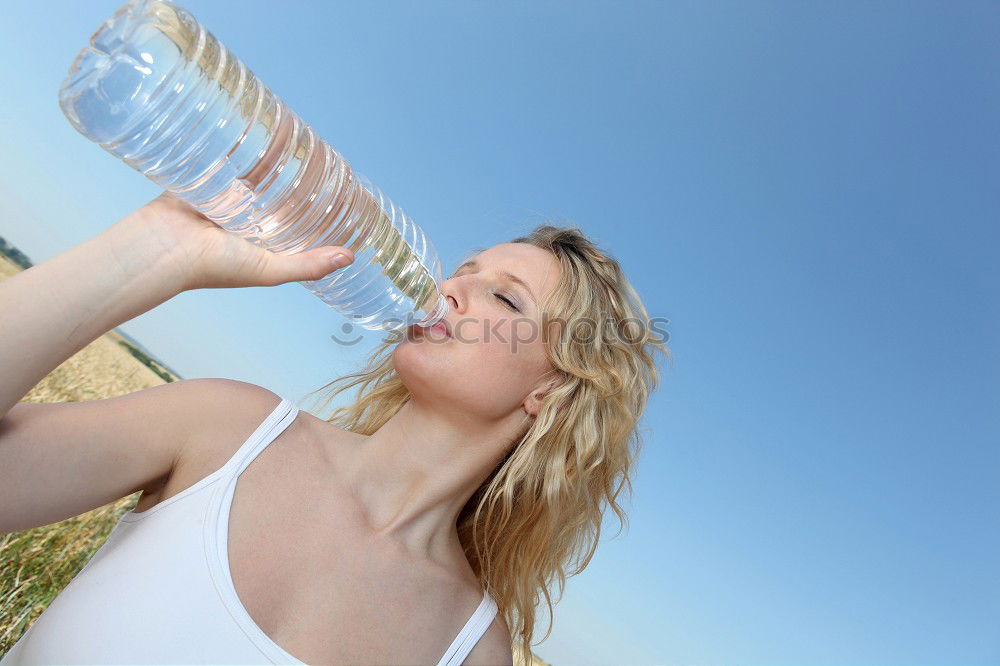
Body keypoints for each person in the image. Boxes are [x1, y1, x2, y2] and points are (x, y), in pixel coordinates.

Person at [0, 192, 668, 665]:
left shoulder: (468, 649)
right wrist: (158, 250)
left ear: (551, 390)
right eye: (462, 272)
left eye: (503, 296)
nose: (450, 290)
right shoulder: (227, 430)